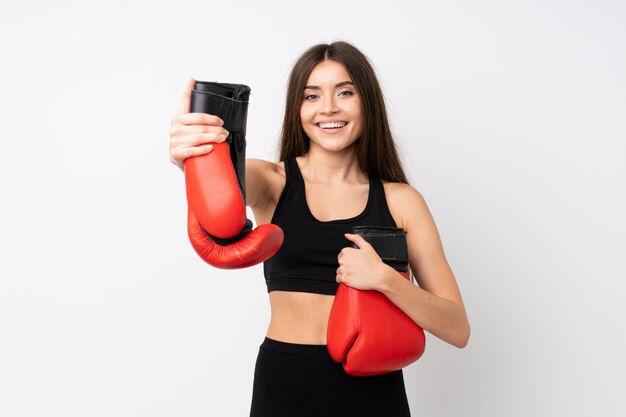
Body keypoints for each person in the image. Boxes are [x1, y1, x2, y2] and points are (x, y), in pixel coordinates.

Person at [169, 41, 470, 417]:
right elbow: (222, 182)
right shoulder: (273, 181)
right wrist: (195, 153)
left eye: (345, 92)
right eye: (312, 96)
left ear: (367, 103)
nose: (328, 107)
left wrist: (386, 280)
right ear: (298, 109)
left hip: (374, 393)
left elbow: (458, 329)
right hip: (284, 383)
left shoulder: (401, 200)